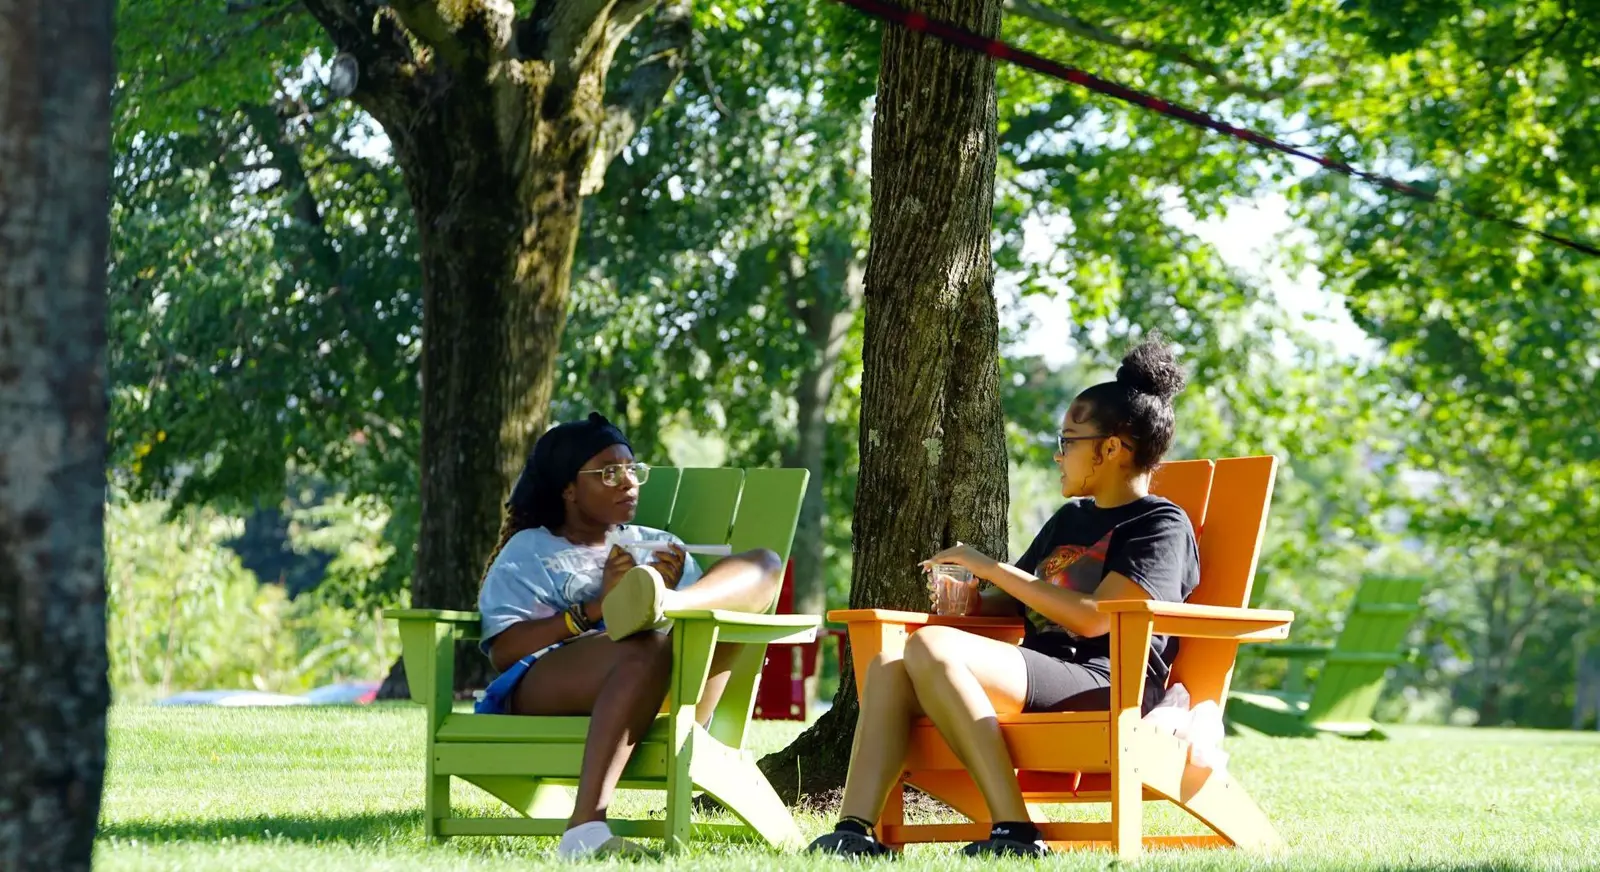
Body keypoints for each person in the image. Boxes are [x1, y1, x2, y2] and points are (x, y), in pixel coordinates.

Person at [807, 338, 1198, 859]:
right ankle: (854, 831)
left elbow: (1093, 619)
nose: (1059, 455)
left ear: (1112, 447)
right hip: (1042, 671)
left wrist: (992, 568)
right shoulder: (1070, 520)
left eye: (1068, 440)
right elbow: (1017, 602)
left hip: (1110, 683)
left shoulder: (1159, 524)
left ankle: (1014, 830)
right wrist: (970, 597)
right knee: (889, 663)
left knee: (932, 648)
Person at [475, 413, 784, 859]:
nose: (628, 483)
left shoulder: (656, 543)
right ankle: (585, 830)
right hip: (550, 686)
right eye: (608, 473)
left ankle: (667, 603)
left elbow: (715, 616)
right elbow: (504, 652)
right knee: (644, 643)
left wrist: (671, 593)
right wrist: (597, 608)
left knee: (764, 561)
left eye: (632, 470)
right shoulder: (531, 551)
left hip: (669, 683)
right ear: (568, 489)